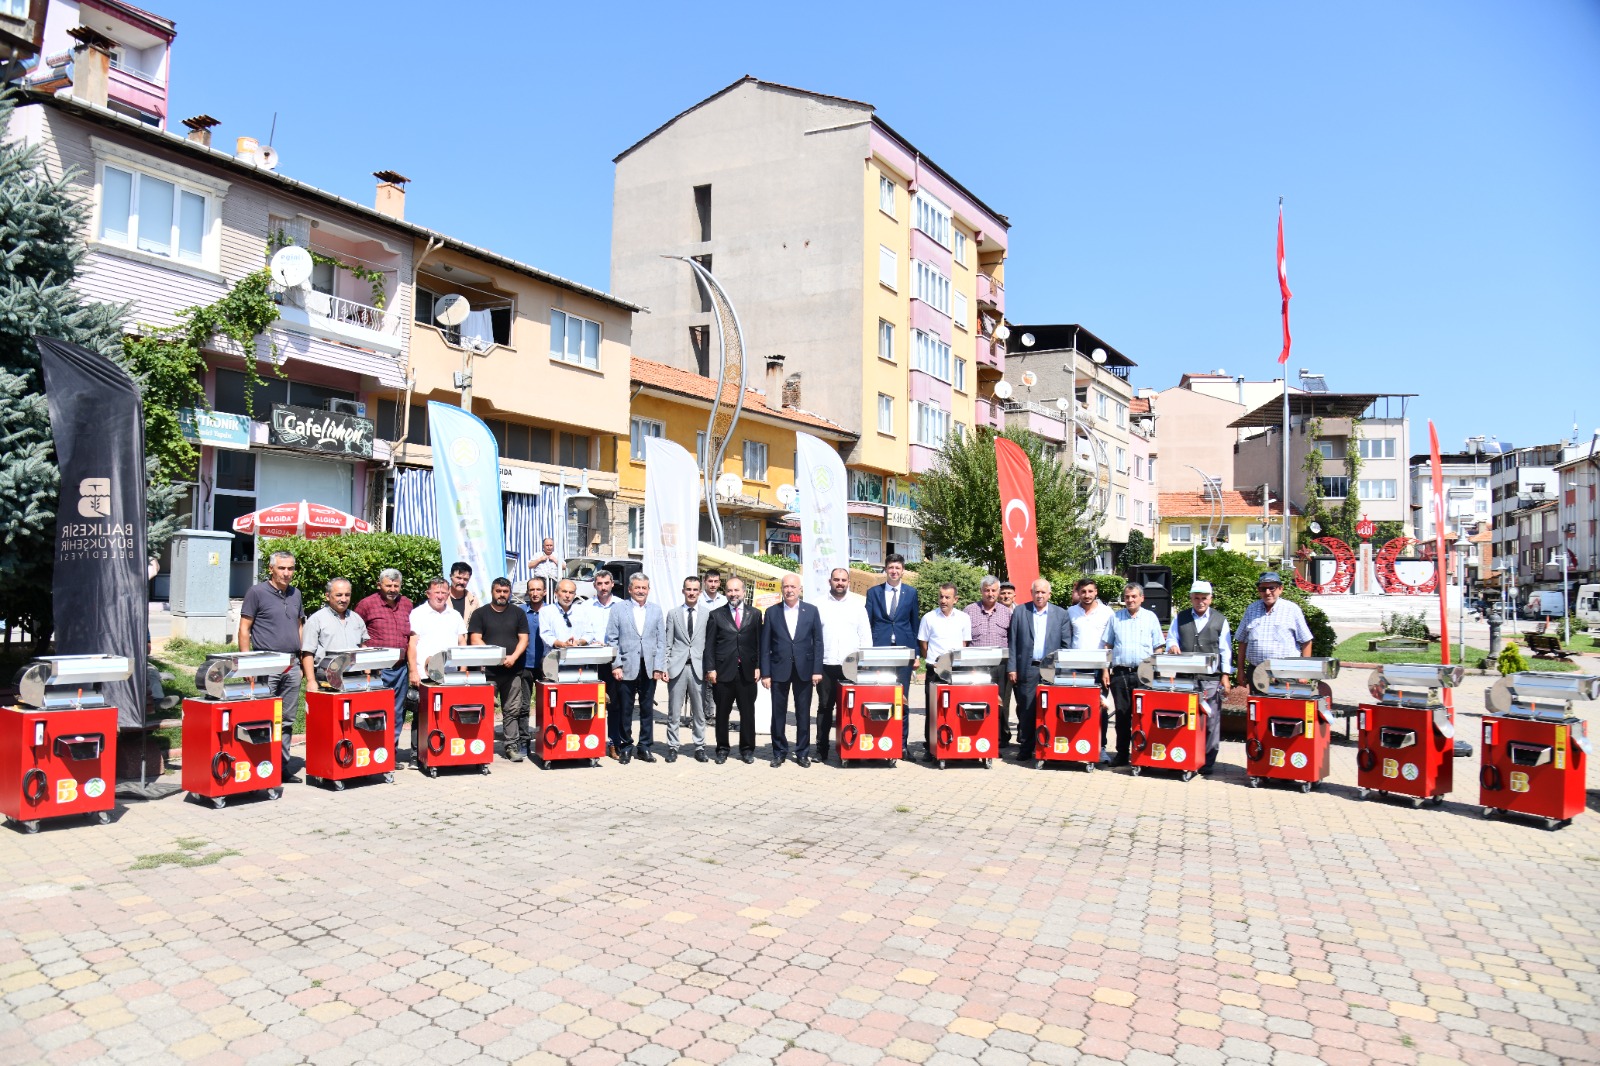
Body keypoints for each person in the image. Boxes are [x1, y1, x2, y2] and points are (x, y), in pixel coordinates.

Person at [238, 550, 305, 774]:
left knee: (286, 718)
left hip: (291, 664)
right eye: (282, 568)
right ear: (271, 569)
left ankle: (281, 767)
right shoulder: (256, 592)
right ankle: (262, 767)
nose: (287, 573)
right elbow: (244, 629)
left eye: (290, 568)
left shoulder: (296, 594)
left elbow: (299, 627)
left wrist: (303, 662)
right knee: (264, 716)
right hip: (265, 661)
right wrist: (247, 664)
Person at [1166, 580, 1232, 775]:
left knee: (1210, 720)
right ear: (1191, 598)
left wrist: (1225, 676)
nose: (1200, 601)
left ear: (1210, 599)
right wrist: (1172, 645)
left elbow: (1225, 650)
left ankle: (1208, 761)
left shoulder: (1220, 620)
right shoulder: (1181, 617)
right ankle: (1184, 755)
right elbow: (1171, 637)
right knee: (1184, 718)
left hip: (1209, 678)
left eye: (1204, 598)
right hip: (1185, 676)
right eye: (1196, 598)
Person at [760, 574, 823, 768]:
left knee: (803, 713)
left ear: (800, 589)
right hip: (779, 669)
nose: (789, 590)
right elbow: (765, 645)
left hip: (804, 670)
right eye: (786, 586)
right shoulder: (772, 612)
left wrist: (817, 670)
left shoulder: (811, 611)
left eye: (793, 587)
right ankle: (779, 751)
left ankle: (802, 752)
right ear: (781, 589)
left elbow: (818, 642)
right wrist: (766, 673)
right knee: (778, 714)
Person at [606, 574, 668, 763]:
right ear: (630, 589)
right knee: (626, 709)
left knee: (647, 709)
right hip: (626, 667)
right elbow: (612, 639)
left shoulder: (656, 611)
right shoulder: (618, 609)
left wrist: (659, 666)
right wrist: (615, 664)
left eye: (644, 587)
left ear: (648, 590)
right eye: (637, 587)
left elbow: (661, 641)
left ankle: (645, 747)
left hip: (649, 667)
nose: (641, 591)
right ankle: (625, 747)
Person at [1007, 577, 1071, 763]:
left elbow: (1066, 645)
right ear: (1031, 593)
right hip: (1027, 668)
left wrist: (1062, 670)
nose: (1040, 595)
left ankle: (1048, 746)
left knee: (1050, 709)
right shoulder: (1020, 612)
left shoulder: (1061, 614)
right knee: (1026, 710)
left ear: (1049, 594)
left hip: (1051, 670)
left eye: (1043, 592)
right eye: (1037, 592)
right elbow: (1012, 642)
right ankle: (1026, 748)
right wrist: (1012, 667)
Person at [814, 567, 872, 763]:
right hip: (826, 664)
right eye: (836, 579)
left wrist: (865, 665)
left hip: (851, 666)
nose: (840, 583)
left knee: (850, 710)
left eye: (843, 580)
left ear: (848, 582)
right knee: (824, 707)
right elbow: (812, 638)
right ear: (829, 581)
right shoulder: (818, 605)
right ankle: (821, 750)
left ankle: (850, 748)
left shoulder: (858, 606)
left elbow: (866, 638)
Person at [1104, 583, 1167, 765]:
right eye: (1127, 597)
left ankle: (1143, 753)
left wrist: (1157, 672)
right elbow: (1108, 646)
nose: (1130, 600)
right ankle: (1122, 754)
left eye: (1133, 596)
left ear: (1142, 598)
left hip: (1144, 673)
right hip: (1121, 673)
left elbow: (1158, 647)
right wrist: (1105, 670)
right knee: (1122, 716)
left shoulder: (1150, 618)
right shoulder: (1115, 618)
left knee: (1144, 715)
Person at [469, 577, 531, 762]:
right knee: (483, 710)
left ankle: (511, 747)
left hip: (513, 671)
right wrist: (495, 656)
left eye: (505, 591)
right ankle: (480, 746)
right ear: (492, 591)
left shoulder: (518, 613)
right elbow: (475, 639)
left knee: (512, 710)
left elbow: (524, 639)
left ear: (509, 592)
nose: (502, 595)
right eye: (499, 591)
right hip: (488, 673)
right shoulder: (480, 614)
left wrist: (513, 657)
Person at [354, 568, 412, 758]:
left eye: (396, 586)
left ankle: (390, 752)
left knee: (397, 711)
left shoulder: (407, 604)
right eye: (388, 585)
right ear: (379, 585)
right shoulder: (366, 604)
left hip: (400, 668)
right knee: (373, 710)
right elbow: (357, 635)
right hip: (376, 670)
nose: (393, 589)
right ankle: (371, 751)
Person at [703, 575, 762, 764]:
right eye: (729, 590)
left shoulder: (755, 614)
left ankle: (747, 749)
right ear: (725, 592)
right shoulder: (716, 615)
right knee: (722, 713)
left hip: (747, 672)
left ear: (744, 592)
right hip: (723, 672)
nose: (733, 594)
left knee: (747, 713)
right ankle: (722, 749)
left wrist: (759, 666)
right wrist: (710, 668)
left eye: (737, 590)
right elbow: (709, 645)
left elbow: (759, 643)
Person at [407, 577, 469, 750]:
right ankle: (416, 753)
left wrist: (463, 670)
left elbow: (462, 643)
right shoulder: (418, 613)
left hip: (450, 675)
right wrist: (413, 671)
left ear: (448, 594)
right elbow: (412, 644)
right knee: (422, 714)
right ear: (428, 593)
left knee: (448, 713)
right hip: (424, 675)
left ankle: (445, 749)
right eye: (437, 592)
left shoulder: (455, 615)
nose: (440, 596)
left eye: (444, 592)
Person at [864, 554, 919, 744]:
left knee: (902, 697)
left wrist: (917, 654)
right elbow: (867, 624)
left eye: (897, 568)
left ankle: (902, 744)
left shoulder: (911, 593)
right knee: (879, 694)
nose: (894, 571)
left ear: (902, 570)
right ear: (885, 570)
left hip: (903, 652)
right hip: (880, 651)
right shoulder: (873, 593)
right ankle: (877, 741)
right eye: (891, 567)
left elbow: (914, 625)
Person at [918, 583, 973, 760]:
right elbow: (923, 644)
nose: (943, 600)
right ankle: (930, 746)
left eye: (947, 597)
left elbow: (965, 644)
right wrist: (934, 662)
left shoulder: (964, 618)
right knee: (933, 709)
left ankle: (953, 743)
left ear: (955, 599)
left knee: (954, 708)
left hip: (956, 671)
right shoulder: (928, 617)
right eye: (941, 596)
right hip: (934, 670)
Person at [1234, 571, 1314, 693]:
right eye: (1263, 588)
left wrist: (1303, 672)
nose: (1267, 592)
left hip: (1285, 673)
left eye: (1272, 588)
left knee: (1283, 709)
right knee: (1258, 709)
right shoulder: (1251, 609)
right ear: (1258, 590)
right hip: (1257, 672)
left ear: (1280, 589)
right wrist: (1240, 670)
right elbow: (1242, 641)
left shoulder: (1292, 609)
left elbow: (1306, 641)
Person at [664, 576, 709, 762]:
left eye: (695, 589)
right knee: (674, 711)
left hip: (699, 668)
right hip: (677, 668)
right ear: (683, 591)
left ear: (700, 592)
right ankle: (673, 746)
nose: (691, 593)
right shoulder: (673, 614)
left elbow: (709, 644)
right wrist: (665, 666)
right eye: (688, 589)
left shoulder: (707, 614)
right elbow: (668, 643)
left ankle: (699, 746)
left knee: (699, 711)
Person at [965, 576, 1013, 745]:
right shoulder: (969, 611)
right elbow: (964, 640)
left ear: (998, 592)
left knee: (1001, 703)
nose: (990, 593)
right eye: (987, 590)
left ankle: (1000, 738)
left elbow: (1012, 640)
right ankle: (977, 734)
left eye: (993, 590)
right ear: (981, 591)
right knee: (977, 700)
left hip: (1001, 665)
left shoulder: (1007, 612)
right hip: (976, 666)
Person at [300, 578, 369, 691]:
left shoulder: (356, 619)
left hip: (355, 677)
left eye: (347, 595)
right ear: (327, 596)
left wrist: (367, 674)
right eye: (339, 595)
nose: (343, 599)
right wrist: (311, 681)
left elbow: (363, 647)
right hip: (326, 677)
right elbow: (308, 652)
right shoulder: (316, 620)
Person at [521, 578, 548, 688]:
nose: (535, 593)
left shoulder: (552, 611)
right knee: (524, 703)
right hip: (525, 664)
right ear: (527, 592)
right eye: (532, 590)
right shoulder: (520, 611)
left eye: (538, 589)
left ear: (545, 591)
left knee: (547, 702)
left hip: (547, 663)